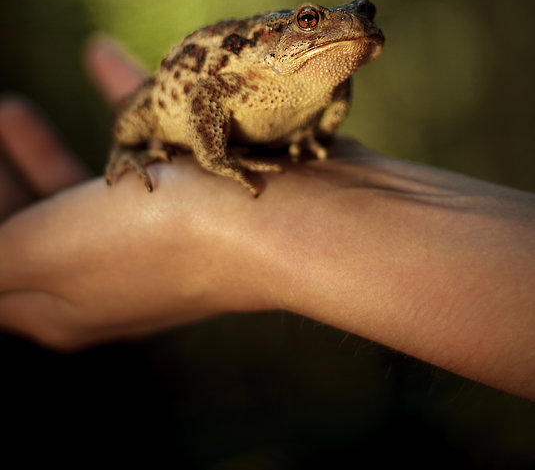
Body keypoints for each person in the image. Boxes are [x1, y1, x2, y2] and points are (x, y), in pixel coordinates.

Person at [0, 38, 533, 401]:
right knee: (135, 111)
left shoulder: (325, 77)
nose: (347, 27)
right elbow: (206, 93)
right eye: (308, 22)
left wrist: (309, 148)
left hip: (278, 130)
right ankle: (125, 153)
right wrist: (213, 160)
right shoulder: (250, 65)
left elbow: (335, 92)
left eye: (363, 12)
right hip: (178, 107)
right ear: (280, 35)